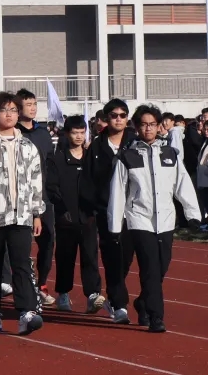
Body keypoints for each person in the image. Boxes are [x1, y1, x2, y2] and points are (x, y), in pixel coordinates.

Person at [108, 104, 201, 333]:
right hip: (139, 220)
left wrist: (193, 214)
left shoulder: (170, 154)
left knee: (161, 268)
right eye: (143, 124)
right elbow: (118, 192)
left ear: (159, 126)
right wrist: (115, 226)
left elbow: (182, 185)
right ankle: (156, 316)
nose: (148, 129)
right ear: (136, 127)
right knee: (149, 268)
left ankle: (142, 302)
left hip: (166, 221)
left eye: (152, 124)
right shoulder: (127, 157)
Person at [0, 92, 46, 336]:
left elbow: (36, 181)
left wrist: (36, 212)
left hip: (22, 215)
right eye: (4, 110)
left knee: (22, 263)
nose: (10, 114)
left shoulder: (28, 146)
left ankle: (26, 312)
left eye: (13, 110)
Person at [45, 116, 105, 314]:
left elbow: (100, 185)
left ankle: (93, 295)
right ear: (67, 134)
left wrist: (95, 208)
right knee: (65, 257)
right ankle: (63, 293)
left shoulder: (92, 158)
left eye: (82, 132)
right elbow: (51, 188)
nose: (79, 136)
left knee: (90, 256)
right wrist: (63, 210)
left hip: (88, 217)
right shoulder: (57, 159)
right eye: (75, 132)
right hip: (66, 219)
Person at [85, 98, 136, 324]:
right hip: (106, 211)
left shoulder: (135, 142)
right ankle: (118, 304)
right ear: (107, 118)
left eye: (123, 115)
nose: (118, 119)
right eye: (114, 116)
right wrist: (92, 208)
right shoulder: (97, 146)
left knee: (127, 258)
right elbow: (88, 179)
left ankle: (118, 293)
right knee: (112, 257)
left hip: (134, 211)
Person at [15, 89, 57, 307]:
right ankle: (19, 284)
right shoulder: (13, 133)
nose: (32, 108)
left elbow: (51, 163)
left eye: (34, 104)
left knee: (48, 241)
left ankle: (41, 284)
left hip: (44, 196)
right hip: (18, 198)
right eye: (28, 104)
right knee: (18, 244)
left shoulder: (43, 133)